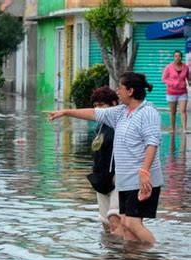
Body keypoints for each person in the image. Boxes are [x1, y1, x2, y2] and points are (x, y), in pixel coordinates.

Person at [49, 72, 163, 245]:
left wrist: (145, 171)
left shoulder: (148, 112)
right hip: (126, 180)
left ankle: (157, 256)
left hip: (142, 179)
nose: (117, 91)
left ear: (130, 91)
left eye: (120, 88)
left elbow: (152, 143)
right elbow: (94, 113)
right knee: (125, 225)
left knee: (132, 223)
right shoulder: (121, 113)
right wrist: (65, 112)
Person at [87, 86, 122, 235]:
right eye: (95, 106)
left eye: (101, 105)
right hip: (101, 179)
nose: (98, 109)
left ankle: (128, 255)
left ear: (114, 104)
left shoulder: (120, 124)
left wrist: (117, 174)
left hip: (118, 178)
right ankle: (110, 254)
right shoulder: (99, 127)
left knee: (115, 218)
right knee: (105, 223)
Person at [162, 50, 189, 133]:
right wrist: (173, 83)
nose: (177, 58)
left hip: (182, 92)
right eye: (176, 56)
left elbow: (189, 78)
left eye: (179, 56)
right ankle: (172, 129)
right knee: (173, 112)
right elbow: (163, 79)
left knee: (183, 110)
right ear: (174, 57)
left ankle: (184, 129)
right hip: (171, 92)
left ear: (181, 57)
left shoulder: (185, 67)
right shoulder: (168, 67)